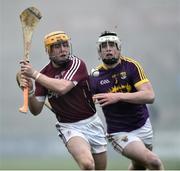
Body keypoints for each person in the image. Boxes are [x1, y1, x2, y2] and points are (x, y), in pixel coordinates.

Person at [19, 31, 107, 170]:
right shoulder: (43, 75)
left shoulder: (76, 64)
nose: (63, 49)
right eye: (57, 46)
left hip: (92, 122)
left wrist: (34, 75)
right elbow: (36, 110)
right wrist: (30, 91)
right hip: (70, 127)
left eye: (65, 45)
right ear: (48, 51)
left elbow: (63, 87)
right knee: (87, 165)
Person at [90, 31, 164, 170]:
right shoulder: (95, 77)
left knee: (139, 166)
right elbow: (85, 104)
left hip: (143, 126)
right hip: (119, 133)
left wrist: (118, 96)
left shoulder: (131, 66)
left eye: (112, 45)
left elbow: (149, 96)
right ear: (99, 53)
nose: (108, 49)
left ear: (119, 49)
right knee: (153, 162)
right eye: (103, 46)